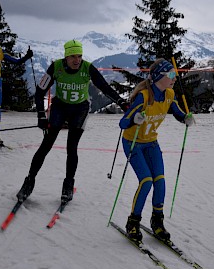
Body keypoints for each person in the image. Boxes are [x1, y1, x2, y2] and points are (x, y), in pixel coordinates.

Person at [16, 40, 129, 203]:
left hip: (80, 109)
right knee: (46, 145)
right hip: (60, 107)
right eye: (73, 57)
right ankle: (29, 182)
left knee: (72, 148)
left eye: (80, 56)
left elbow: (104, 87)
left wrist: (121, 102)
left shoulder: (87, 67)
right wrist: (41, 115)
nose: (77, 60)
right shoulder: (56, 67)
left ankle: (68, 185)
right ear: (66, 57)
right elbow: (40, 92)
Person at [119, 58, 194, 242]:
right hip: (133, 142)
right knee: (146, 181)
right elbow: (123, 122)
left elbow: (177, 113)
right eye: (170, 74)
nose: (174, 77)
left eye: (174, 74)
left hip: (151, 143)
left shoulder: (169, 94)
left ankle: (157, 221)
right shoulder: (144, 96)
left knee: (159, 180)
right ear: (159, 76)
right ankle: (133, 222)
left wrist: (186, 118)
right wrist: (135, 118)